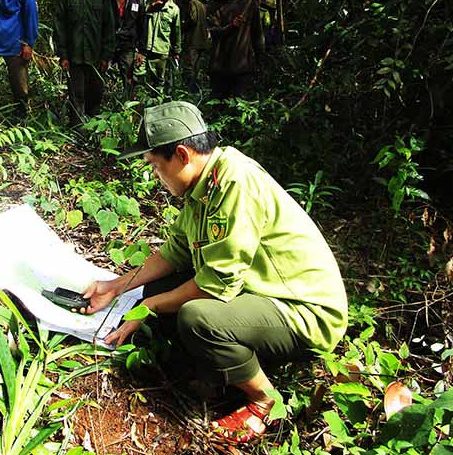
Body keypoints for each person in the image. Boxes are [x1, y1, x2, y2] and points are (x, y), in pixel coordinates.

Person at [81, 101, 348, 443]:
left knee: (196, 317)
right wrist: (116, 286)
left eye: (156, 166)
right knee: (159, 289)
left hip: (304, 311)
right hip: (259, 293)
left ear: (182, 154)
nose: (156, 176)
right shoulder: (203, 184)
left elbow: (214, 286)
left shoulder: (234, 183)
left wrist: (146, 308)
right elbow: (174, 252)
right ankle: (213, 369)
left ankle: (261, 399)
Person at [53, 0, 116, 126]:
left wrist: (106, 56)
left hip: (96, 56)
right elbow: (60, 26)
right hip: (74, 56)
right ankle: (77, 130)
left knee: (95, 94)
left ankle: (93, 130)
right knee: (76, 94)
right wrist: (63, 54)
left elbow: (109, 27)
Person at [206, 0, 264, 99]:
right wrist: (231, 27)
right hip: (219, 68)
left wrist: (260, 59)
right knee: (217, 108)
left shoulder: (248, 3)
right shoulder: (213, 5)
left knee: (239, 107)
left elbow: (257, 34)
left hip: (242, 68)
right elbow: (213, 32)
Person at [141, 0, 182, 96]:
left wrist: (176, 51)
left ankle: (157, 105)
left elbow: (176, 31)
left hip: (161, 51)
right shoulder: (147, 1)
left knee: (159, 82)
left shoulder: (174, 10)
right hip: (144, 49)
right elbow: (138, 19)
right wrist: (151, 7)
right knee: (139, 79)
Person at [110, 0, 145, 100]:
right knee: (100, 74)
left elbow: (142, 28)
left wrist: (141, 51)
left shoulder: (138, 2)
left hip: (128, 47)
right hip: (109, 44)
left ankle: (127, 108)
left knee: (128, 79)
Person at [182, 0, 210, 95]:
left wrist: (183, 27)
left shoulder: (192, 3)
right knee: (197, 68)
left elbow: (193, 19)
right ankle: (197, 90)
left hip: (193, 40)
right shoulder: (203, 5)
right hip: (202, 41)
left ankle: (190, 91)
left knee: (189, 67)